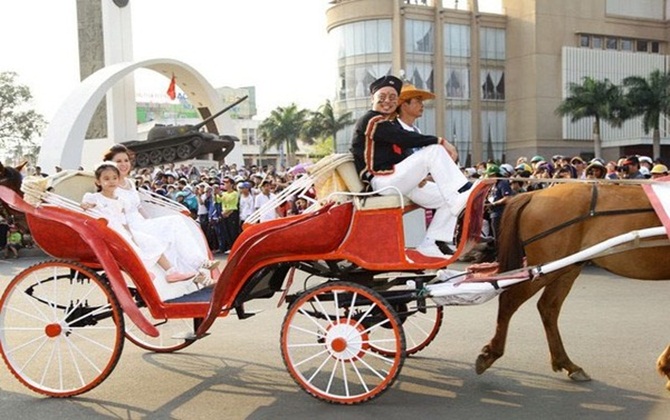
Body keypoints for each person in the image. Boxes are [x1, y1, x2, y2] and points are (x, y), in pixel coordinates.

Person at [350, 75, 472, 259]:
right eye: (382, 97)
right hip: (382, 182)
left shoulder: (386, 123)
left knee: (448, 199)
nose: (387, 102)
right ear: (372, 99)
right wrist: (440, 141)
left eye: (392, 98)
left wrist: (417, 174)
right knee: (434, 150)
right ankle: (461, 189)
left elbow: (401, 151)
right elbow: (404, 139)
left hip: (396, 182)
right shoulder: (371, 120)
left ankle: (430, 243)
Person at [102, 144, 218, 277]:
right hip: (129, 227)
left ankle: (195, 270)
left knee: (173, 231)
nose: (124, 164)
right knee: (174, 222)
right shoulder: (110, 187)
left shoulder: (130, 183)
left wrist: (152, 222)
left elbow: (138, 207)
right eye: (118, 161)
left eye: (126, 160)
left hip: (141, 223)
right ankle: (198, 263)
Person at [81, 162, 199, 284]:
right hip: (108, 230)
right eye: (106, 179)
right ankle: (143, 271)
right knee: (131, 247)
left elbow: (123, 219)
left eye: (114, 178)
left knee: (150, 242)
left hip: (122, 229)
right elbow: (86, 206)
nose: (111, 181)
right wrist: (87, 205)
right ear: (98, 182)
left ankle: (171, 272)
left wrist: (131, 233)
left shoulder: (120, 200)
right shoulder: (95, 197)